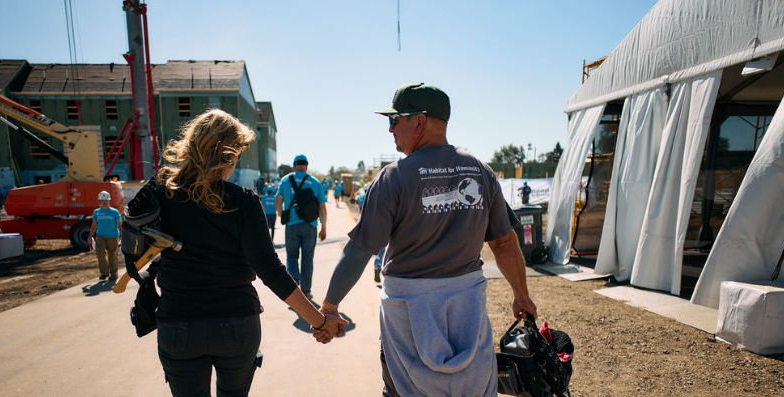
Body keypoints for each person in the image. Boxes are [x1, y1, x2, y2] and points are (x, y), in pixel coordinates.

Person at [315, 83, 538, 396]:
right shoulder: (481, 172)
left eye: (394, 120)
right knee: (471, 384)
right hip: (467, 304)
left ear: (418, 121)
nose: (390, 129)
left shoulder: (395, 176)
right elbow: (504, 242)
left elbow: (361, 249)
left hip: (408, 308)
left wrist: (330, 305)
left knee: (405, 387)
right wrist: (521, 295)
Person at [147, 109, 343, 397]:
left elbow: (136, 248)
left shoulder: (161, 194)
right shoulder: (243, 202)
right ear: (227, 154)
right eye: (236, 151)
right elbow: (269, 268)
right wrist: (320, 321)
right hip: (236, 325)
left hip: (179, 324)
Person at [276, 154, 328, 299]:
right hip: (310, 225)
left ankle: (294, 290)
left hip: (291, 226)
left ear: (294, 165)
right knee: (307, 259)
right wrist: (324, 227)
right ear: (306, 165)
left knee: (291, 257)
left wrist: (283, 216)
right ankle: (306, 291)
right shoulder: (315, 182)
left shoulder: (285, 181)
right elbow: (322, 208)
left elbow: (278, 202)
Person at [88, 190, 122, 281]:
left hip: (113, 236)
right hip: (100, 236)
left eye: (106, 200)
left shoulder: (115, 212)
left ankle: (113, 274)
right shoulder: (96, 212)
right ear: (99, 201)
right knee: (100, 253)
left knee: (112, 255)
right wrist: (90, 236)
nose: (104, 202)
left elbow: (119, 224)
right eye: (102, 200)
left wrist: (122, 235)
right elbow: (94, 225)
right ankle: (104, 273)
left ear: (109, 201)